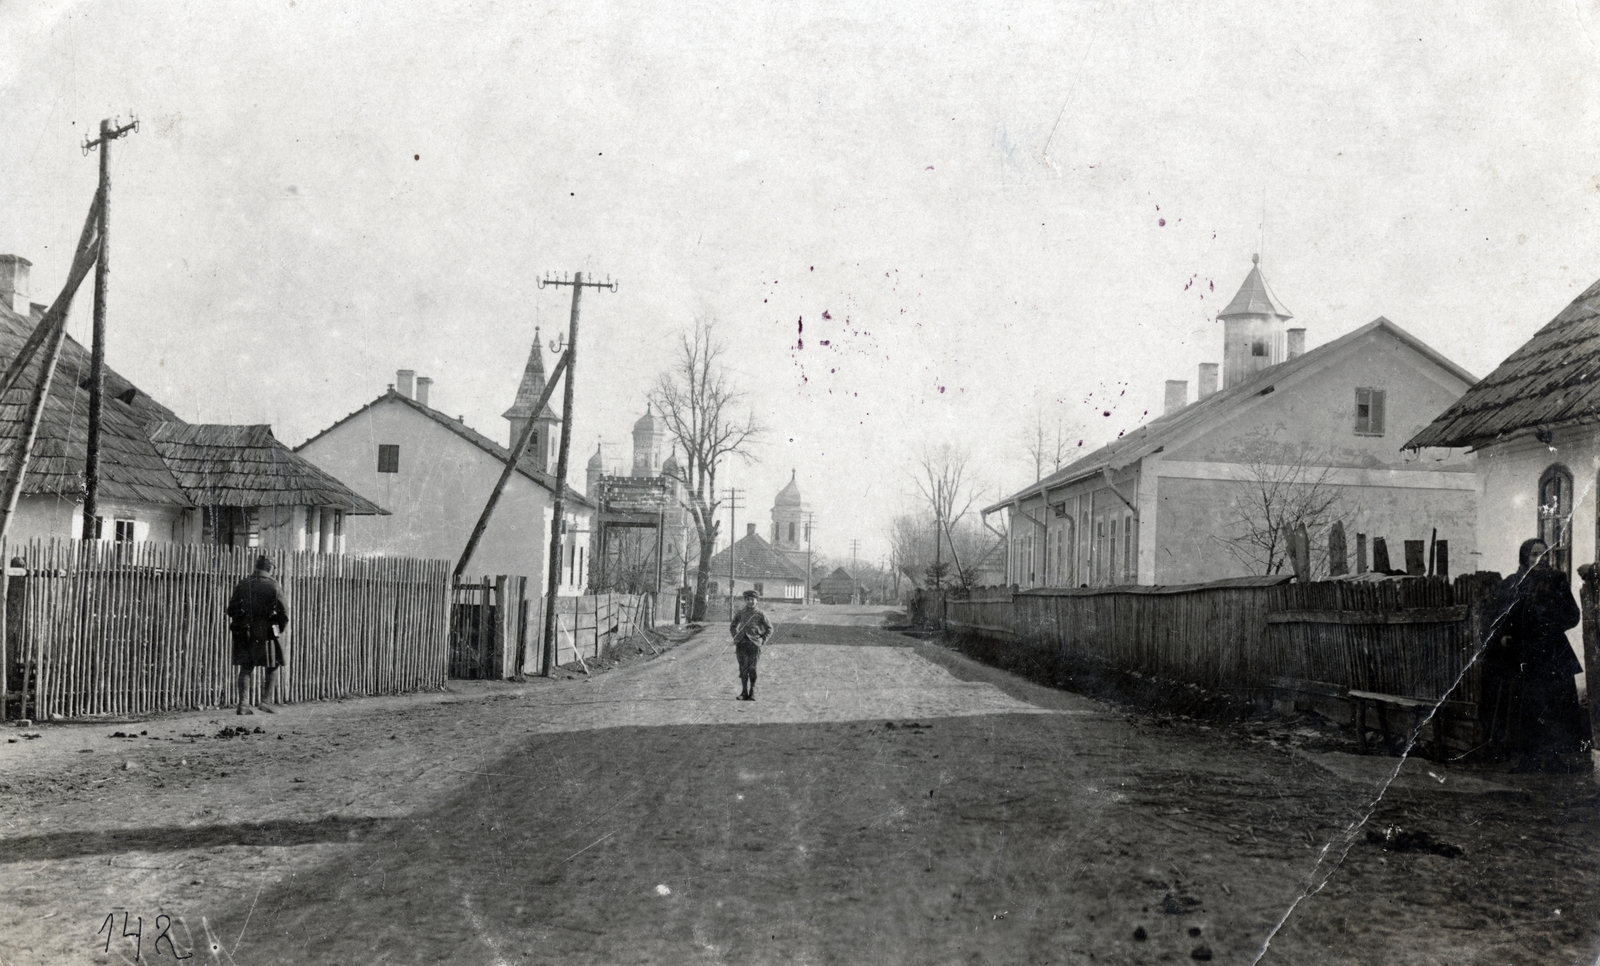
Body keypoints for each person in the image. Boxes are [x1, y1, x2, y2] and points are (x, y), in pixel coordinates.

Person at [1488, 538, 1588, 770]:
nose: (1539, 559)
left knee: (1555, 706)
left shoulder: (1557, 580)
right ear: (1525, 557)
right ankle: (1527, 759)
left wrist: (1549, 626)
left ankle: (1553, 759)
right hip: (1523, 654)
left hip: (1552, 653)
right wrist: (1504, 634)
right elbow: (1499, 613)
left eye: (1544, 554)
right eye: (1534, 554)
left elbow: (1572, 615)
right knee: (1526, 705)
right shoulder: (1513, 583)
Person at [228, 555, 290, 716]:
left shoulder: (243, 583)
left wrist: (242, 621)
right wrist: (277, 626)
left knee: (246, 667)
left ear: (257, 567)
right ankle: (265, 702)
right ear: (270, 568)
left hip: (245, 630)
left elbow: (231, 609)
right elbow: (284, 613)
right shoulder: (273, 585)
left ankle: (243, 705)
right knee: (273, 665)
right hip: (267, 631)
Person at [730, 589, 772, 701]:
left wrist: (762, 640)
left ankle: (752, 692)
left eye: (752, 599)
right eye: (748, 599)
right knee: (743, 668)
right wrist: (736, 637)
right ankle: (744, 692)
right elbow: (733, 626)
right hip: (742, 644)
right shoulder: (741, 612)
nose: (750, 602)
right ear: (745, 600)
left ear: (756, 601)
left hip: (754, 644)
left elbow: (769, 628)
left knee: (752, 668)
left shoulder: (760, 614)